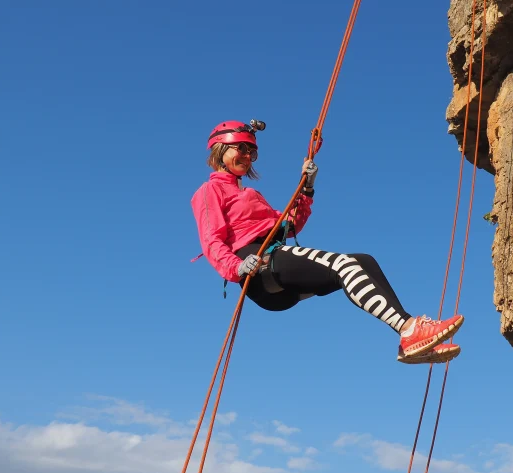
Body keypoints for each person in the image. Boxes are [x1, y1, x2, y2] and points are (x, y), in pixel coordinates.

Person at [190, 119, 464, 364]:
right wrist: (236, 267)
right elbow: (211, 241)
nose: (248, 156)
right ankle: (410, 329)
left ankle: (411, 340)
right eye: (241, 149)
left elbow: (290, 224)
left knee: (362, 261)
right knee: (344, 265)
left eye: (252, 151)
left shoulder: (252, 195)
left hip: (275, 264)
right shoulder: (209, 190)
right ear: (220, 150)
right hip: (258, 266)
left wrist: (307, 186)